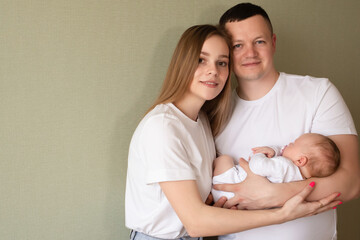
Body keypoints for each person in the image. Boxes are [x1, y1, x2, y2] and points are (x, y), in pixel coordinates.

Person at [125, 24, 340, 240]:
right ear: (183, 62)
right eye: (201, 60)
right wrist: (282, 214)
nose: (213, 71)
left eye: (222, 63)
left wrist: (215, 202)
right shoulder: (163, 126)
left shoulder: (203, 124)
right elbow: (196, 223)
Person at [214, 3, 360, 240]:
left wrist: (273, 194)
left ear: (273, 42)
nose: (250, 53)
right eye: (237, 45)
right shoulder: (214, 113)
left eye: (259, 41)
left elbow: (352, 182)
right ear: (227, 53)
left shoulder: (318, 92)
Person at [212, 133, 340, 202]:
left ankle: (208, 190)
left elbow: (257, 166)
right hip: (238, 198)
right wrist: (274, 150)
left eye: (294, 144)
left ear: (300, 160)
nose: (288, 144)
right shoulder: (297, 178)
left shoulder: (284, 166)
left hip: (230, 185)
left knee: (224, 159)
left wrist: (260, 154)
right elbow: (281, 152)